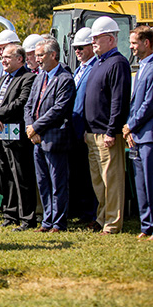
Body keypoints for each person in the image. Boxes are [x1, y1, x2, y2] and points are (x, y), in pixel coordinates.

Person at [84, 16, 131, 235]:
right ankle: (102, 217)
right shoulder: (100, 62)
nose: (93, 42)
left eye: (97, 38)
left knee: (111, 181)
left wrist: (112, 130)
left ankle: (112, 223)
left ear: (111, 39)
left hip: (107, 134)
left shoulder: (118, 63)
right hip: (92, 133)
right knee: (99, 183)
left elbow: (118, 101)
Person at [24, 39, 76, 232]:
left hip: (54, 138)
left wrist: (36, 127)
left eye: (40, 55)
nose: (37, 59)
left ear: (53, 55)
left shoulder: (65, 79)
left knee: (57, 183)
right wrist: (30, 126)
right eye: (36, 55)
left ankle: (58, 222)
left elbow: (59, 109)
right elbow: (29, 105)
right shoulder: (39, 77)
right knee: (43, 182)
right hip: (37, 139)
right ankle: (47, 221)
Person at [0, 44, 38, 231]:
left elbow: (21, 102)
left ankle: (27, 218)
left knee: (21, 176)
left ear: (20, 59)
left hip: (17, 135)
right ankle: (10, 214)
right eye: (3, 56)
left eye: (8, 57)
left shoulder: (28, 78)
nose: (3, 60)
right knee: (5, 176)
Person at [122, 26, 153, 241]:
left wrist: (130, 125)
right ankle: (146, 226)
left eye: (134, 42)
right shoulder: (141, 67)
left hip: (148, 134)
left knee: (151, 184)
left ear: (146, 43)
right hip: (137, 135)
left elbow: (149, 104)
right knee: (140, 184)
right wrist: (130, 129)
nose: (131, 46)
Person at [68, 27, 98, 223]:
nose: (77, 51)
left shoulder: (95, 67)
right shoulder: (79, 69)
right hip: (75, 128)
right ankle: (83, 211)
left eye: (81, 47)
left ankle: (92, 213)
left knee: (91, 175)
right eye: (75, 48)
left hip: (88, 128)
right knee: (79, 173)